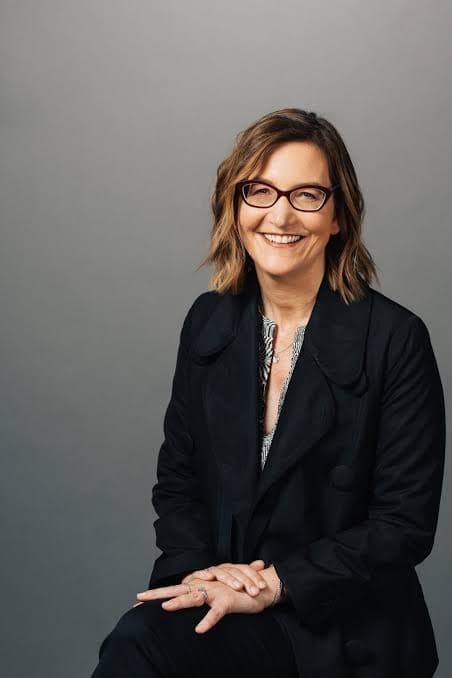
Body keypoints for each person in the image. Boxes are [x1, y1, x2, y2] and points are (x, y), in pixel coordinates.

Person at [90, 108, 446, 678]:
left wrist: (274, 585)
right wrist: (200, 576)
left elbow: (402, 526)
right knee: (142, 640)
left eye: (307, 195)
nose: (280, 215)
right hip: (226, 601)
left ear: (338, 216)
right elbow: (178, 480)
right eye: (259, 191)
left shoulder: (396, 339)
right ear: (234, 207)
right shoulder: (208, 321)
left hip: (341, 628)